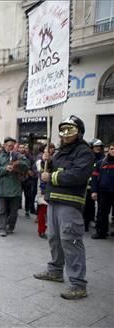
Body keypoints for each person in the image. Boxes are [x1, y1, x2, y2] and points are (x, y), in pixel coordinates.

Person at [33, 115, 94, 300]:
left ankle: (78, 284)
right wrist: (47, 161)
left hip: (70, 202)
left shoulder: (85, 152)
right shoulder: (60, 152)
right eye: (63, 130)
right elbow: (52, 170)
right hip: (53, 200)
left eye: (70, 130)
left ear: (79, 132)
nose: (65, 134)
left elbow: (77, 175)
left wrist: (51, 176)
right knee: (54, 238)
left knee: (71, 240)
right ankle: (55, 271)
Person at [0, 137, 30, 237]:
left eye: (13, 146)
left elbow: (27, 165)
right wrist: (5, 168)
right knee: (2, 210)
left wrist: (17, 164)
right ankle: (2, 228)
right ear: (4, 146)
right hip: (2, 188)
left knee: (14, 211)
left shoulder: (19, 155)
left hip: (15, 187)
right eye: (9, 145)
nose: (11, 147)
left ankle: (10, 226)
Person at [90, 142, 114, 239]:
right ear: (108, 150)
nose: (113, 151)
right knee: (102, 213)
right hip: (103, 192)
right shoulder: (101, 163)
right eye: (112, 148)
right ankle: (101, 232)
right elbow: (94, 178)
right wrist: (94, 191)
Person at [83, 139, 105, 231]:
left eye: (99, 147)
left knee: (101, 207)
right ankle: (86, 222)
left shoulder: (104, 158)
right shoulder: (88, 157)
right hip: (89, 183)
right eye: (96, 146)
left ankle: (99, 225)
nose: (98, 148)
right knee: (88, 204)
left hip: (100, 184)